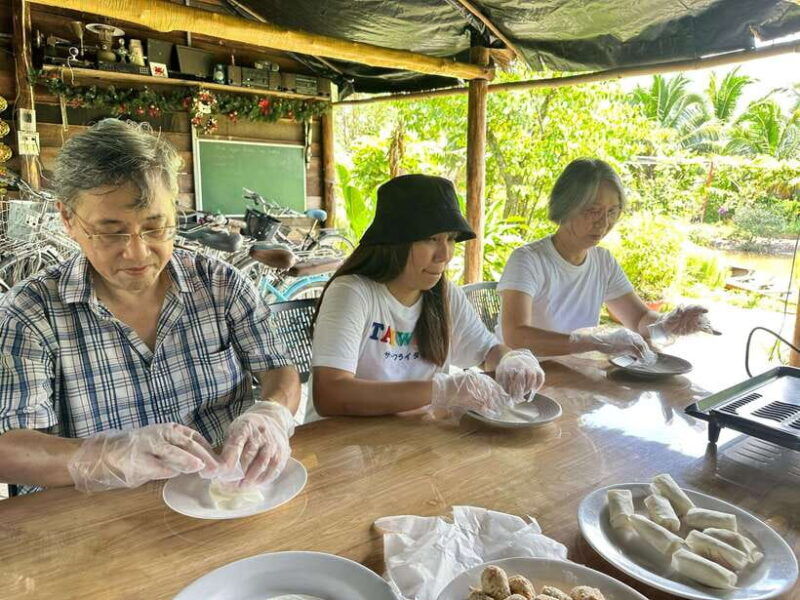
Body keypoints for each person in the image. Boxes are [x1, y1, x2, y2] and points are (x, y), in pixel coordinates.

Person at [0, 119, 300, 495]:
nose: (138, 252)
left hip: (222, 500)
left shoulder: (220, 285)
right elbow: (8, 450)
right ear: (68, 220)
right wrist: (107, 455)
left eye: (156, 228)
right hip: (101, 525)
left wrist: (271, 413)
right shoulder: (30, 312)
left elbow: (277, 369)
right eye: (111, 231)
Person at [311, 174, 545, 421]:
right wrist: (444, 390)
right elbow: (330, 394)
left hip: (416, 438)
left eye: (451, 238)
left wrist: (511, 360)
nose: (444, 254)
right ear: (394, 241)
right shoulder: (352, 293)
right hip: (345, 442)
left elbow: (487, 351)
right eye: (431, 239)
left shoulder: (444, 295)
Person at [498, 158, 714, 358]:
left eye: (612, 212)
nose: (603, 223)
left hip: (578, 376)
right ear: (565, 206)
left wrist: (668, 323)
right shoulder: (528, 260)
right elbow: (516, 335)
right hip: (524, 377)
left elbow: (638, 319)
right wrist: (592, 342)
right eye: (593, 211)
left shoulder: (602, 262)